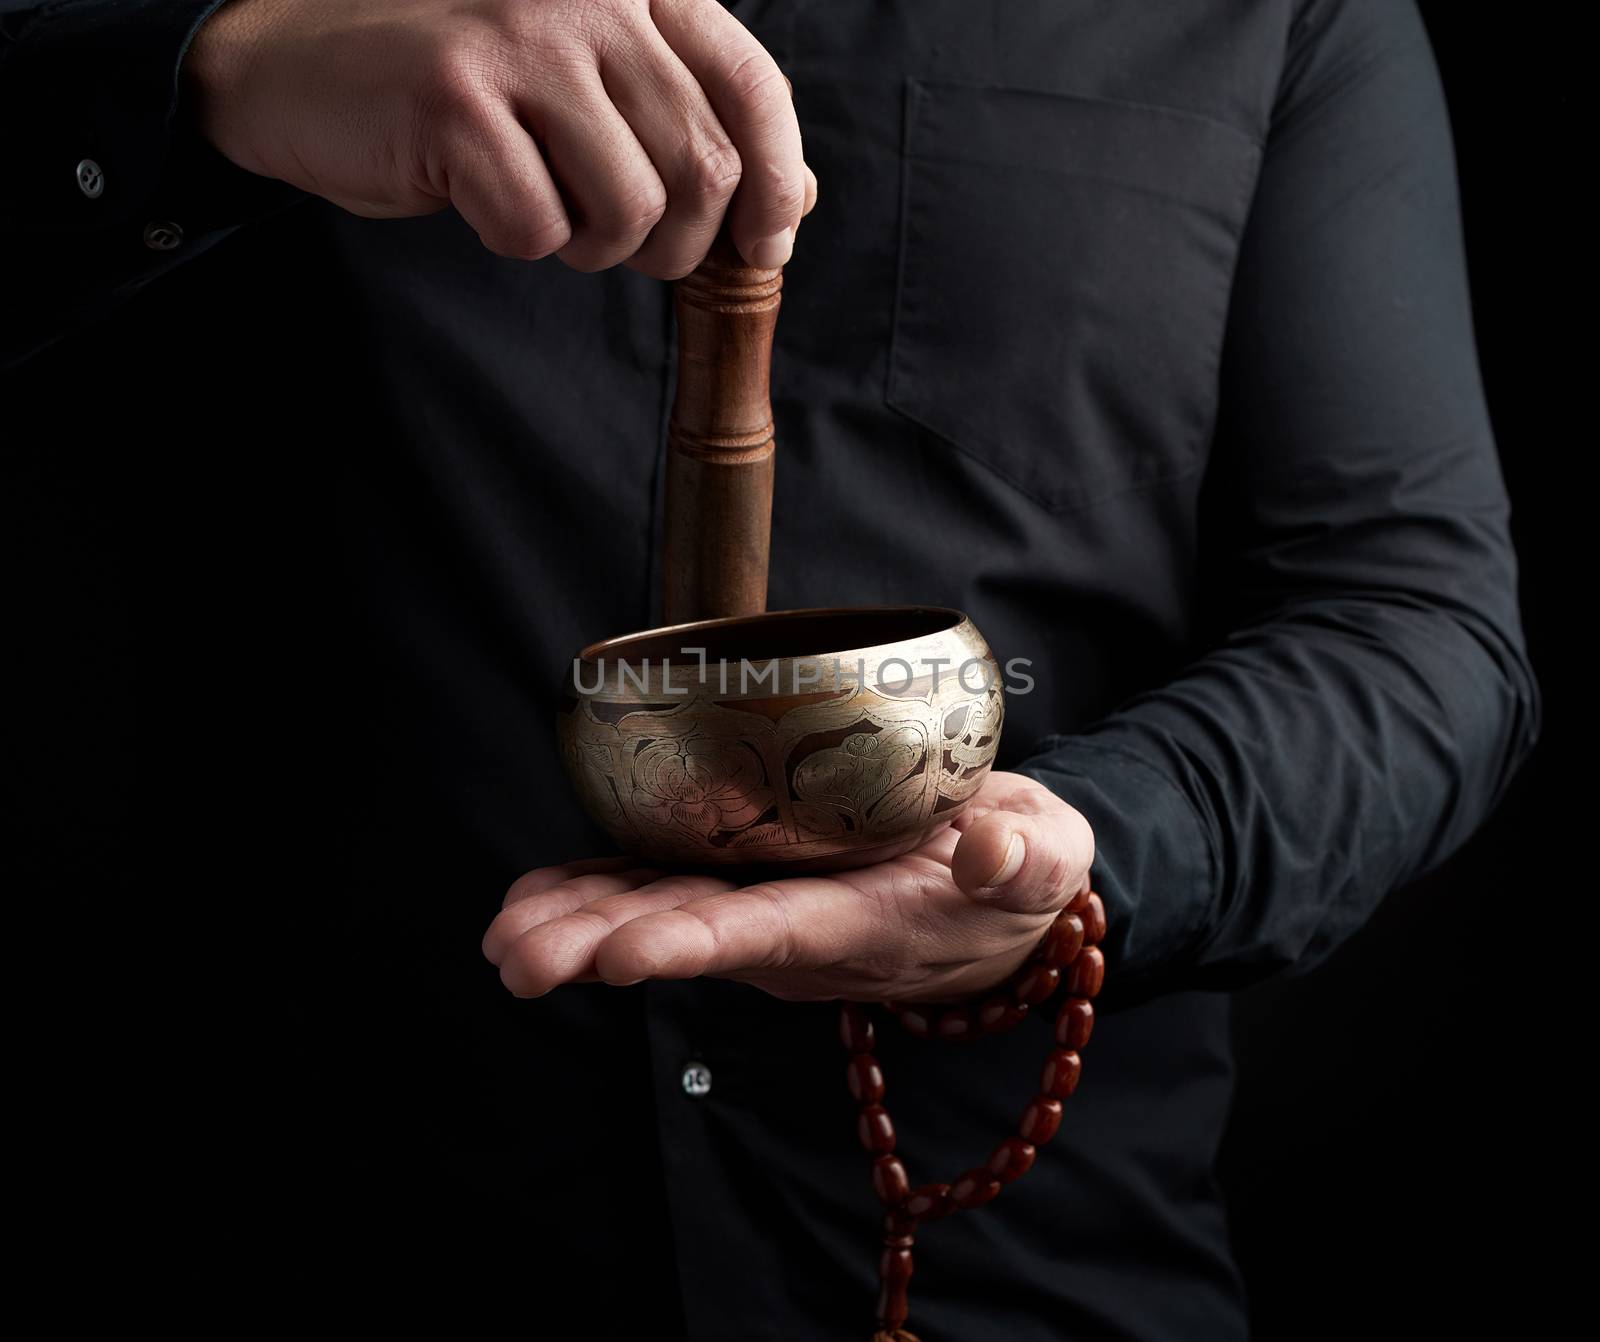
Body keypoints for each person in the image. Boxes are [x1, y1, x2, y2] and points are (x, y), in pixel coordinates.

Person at [1, 0, 1540, 1337]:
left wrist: (1081, 852)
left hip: (999, 1269)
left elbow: (1410, 620)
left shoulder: (1281, 17)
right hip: (275, 1224)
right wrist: (222, 70)